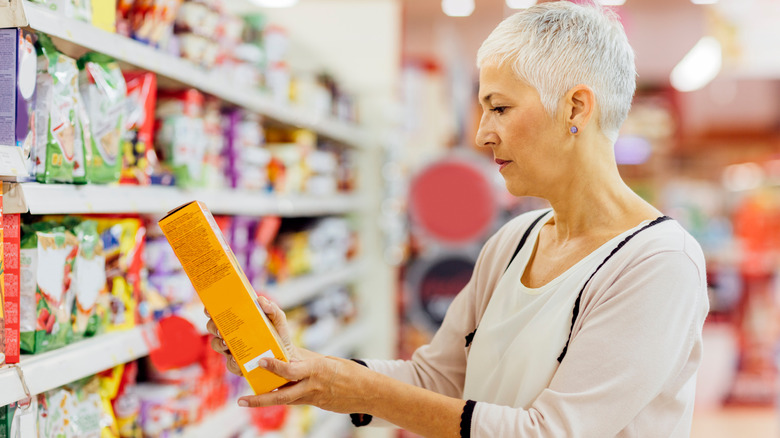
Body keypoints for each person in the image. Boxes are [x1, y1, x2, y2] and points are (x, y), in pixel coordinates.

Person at [207, 2, 709, 437]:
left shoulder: (658, 265)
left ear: (576, 106)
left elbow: (551, 433)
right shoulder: (514, 241)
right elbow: (438, 379)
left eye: (500, 108)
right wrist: (303, 367)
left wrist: (359, 391)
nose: (483, 135)